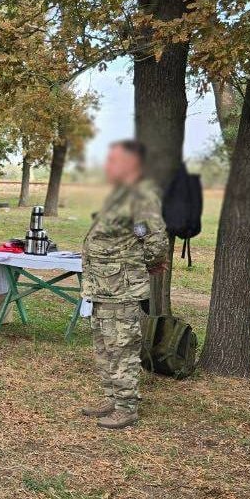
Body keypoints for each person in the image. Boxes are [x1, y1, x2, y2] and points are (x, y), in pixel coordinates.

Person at [81, 140, 168, 429]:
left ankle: (127, 407)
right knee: (105, 346)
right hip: (104, 289)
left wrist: (141, 263)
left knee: (122, 348)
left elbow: (155, 240)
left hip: (122, 290)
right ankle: (112, 399)